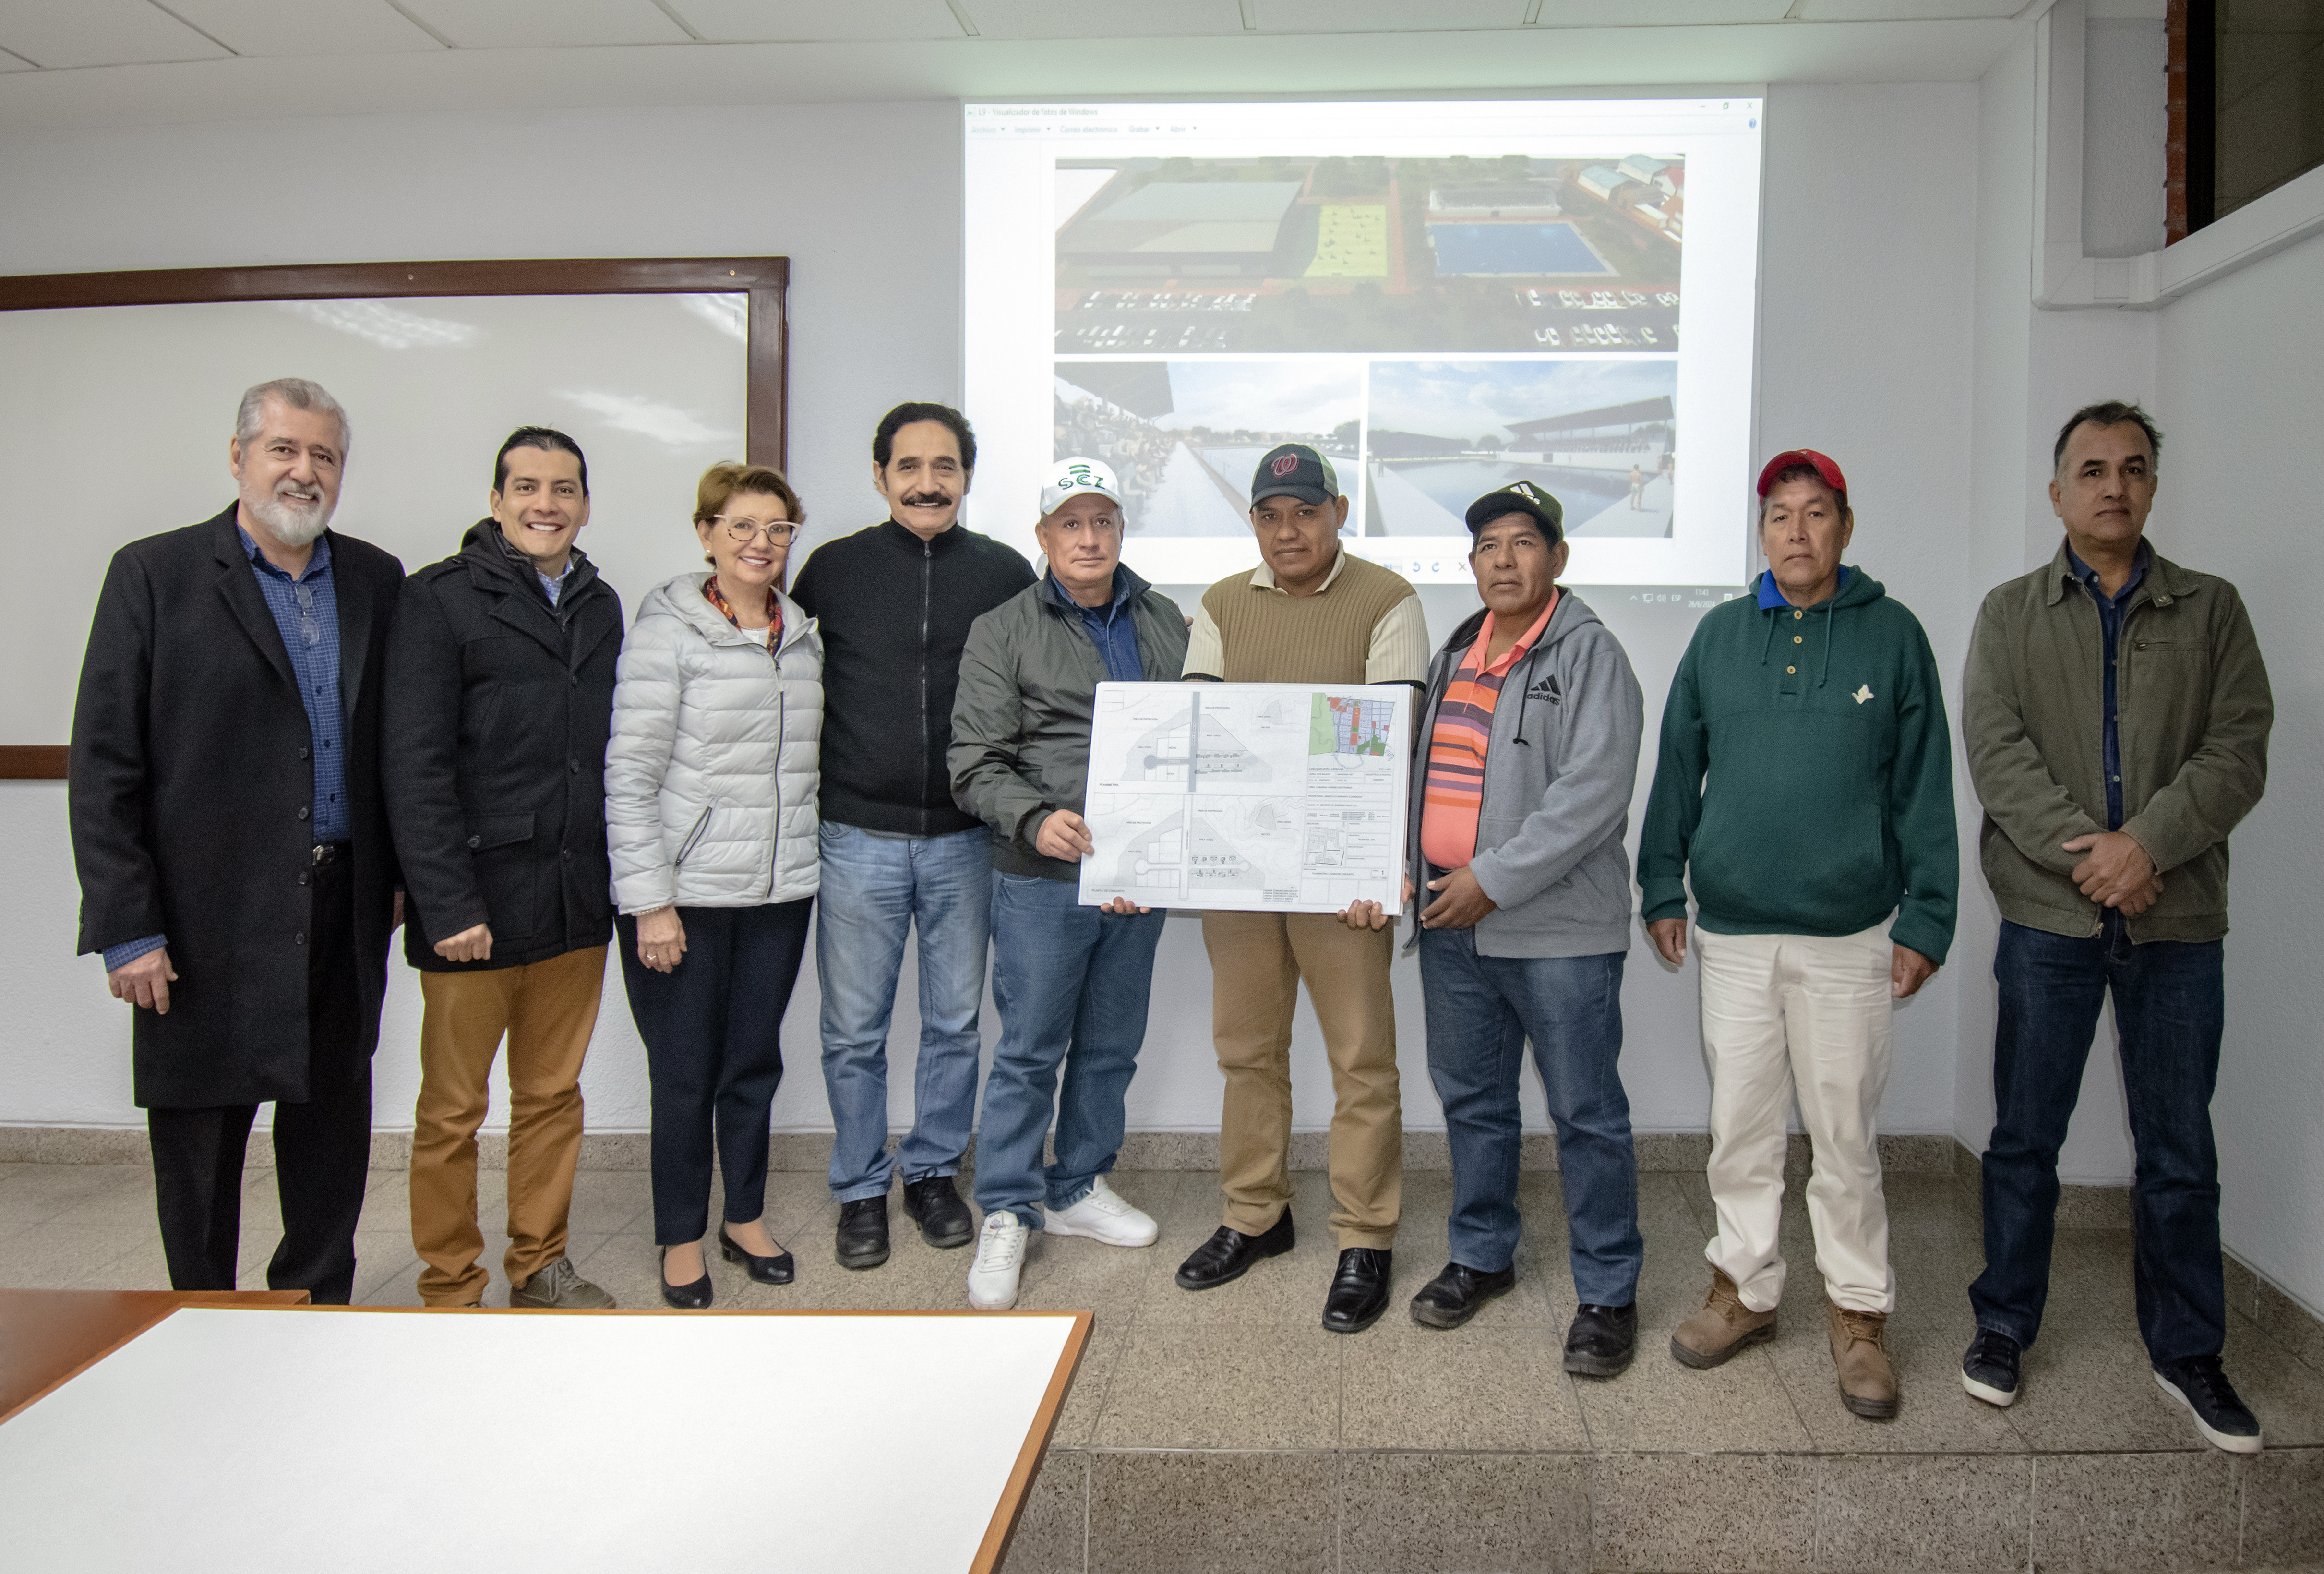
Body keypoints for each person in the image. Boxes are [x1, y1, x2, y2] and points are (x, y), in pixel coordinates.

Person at [1960, 402, 2273, 1453]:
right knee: (2023, 1137)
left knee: (2181, 1147)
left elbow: (2238, 749)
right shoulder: (2010, 612)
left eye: (2133, 469)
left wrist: (2149, 845)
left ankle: (2189, 1350)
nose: (2113, 486)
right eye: (2091, 470)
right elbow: (1997, 752)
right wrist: (2094, 854)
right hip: (2050, 914)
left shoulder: (2213, 610)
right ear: (2057, 493)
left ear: (2152, 487)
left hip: (2176, 915)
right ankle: (2003, 1322)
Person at [1638, 447, 1956, 1420]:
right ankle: (1746, 1287)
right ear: (1762, 531)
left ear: (1846, 528)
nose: (1798, 531)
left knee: (1846, 1134)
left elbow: (1925, 788)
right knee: (1740, 1126)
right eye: (1780, 515)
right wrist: (1660, 881)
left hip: (1849, 936)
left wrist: (1928, 918)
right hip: (1733, 934)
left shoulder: (1894, 636)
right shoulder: (1721, 636)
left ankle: (1859, 1314)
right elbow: (1677, 764)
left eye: (1817, 513)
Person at [69, 378, 403, 1304]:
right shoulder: (154, 574)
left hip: (342, 905)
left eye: (324, 457)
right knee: (200, 1140)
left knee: (332, 1125)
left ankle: (316, 1299)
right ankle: (203, 1315)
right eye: (285, 451)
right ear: (239, 457)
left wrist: (404, 884)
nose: (304, 472)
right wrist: (128, 928)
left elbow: (400, 750)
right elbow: (104, 766)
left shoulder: (376, 578)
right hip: (201, 914)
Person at [1387, 481, 1648, 1373]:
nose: (1504, 560)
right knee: (1474, 1102)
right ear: (1471, 565)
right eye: (1487, 546)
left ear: (1558, 559)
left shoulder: (1591, 655)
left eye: (1523, 543)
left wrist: (1488, 883)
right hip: (1449, 924)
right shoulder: (1458, 650)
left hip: (1558, 933)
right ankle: (1481, 1256)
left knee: (1585, 1112)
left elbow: (1593, 795)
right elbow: (1422, 780)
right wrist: (1406, 865)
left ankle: (1609, 1292)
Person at [1175, 442, 1430, 1334]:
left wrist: (1369, 863)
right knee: (1246, 1050)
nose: (1288, 531)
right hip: (1241, 871)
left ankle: (1365, 1235)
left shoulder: (1387, 598)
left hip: (1338, 875)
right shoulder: (1216, 604)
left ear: (1338, 511)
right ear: (1253, 521)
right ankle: (1256, 1215)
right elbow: (1203, 735)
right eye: (1270, 515)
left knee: (1361, 1060)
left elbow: (1388, 741)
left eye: (1306, 512)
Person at [381, 428, 623, 1310]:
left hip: (573, 898)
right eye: (526, 487)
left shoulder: (602, 606)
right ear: (495, 501)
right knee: (451, 1111)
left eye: (564, 489)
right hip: (473, 904)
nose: (545, 504)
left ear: (585, 505)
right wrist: (444, 903)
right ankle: (450, 1282)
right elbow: (413, 765)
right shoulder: (436, 601)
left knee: (552, 1096)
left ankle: (540, 1265)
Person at [790, 403, 1035, 1269]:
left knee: (955, 1023)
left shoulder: (1006, 573)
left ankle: (932, 1171)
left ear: (967, 477)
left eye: (944, 467)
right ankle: (859, 1187)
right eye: (908, 467)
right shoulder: (831, 570)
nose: (927, 483)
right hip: (856, 834)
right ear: (880, 475)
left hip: (966, 839)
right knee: (853, 1030)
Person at [948, 458, 1188, 1310]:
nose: (1089, 539)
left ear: (1120, 532)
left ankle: (1078, 1186)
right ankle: (1009, 1206)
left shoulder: (1165, 619)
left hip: (1142, 874)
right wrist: (1033, 817)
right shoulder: (1001, 627)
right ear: (1044, 537)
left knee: (1111, 1045)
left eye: (1104, 523)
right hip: (1044, 874)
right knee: (1027, 1050)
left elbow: (1196, 738)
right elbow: (973, 759)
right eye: (1071, 524)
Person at [606, 462, 823, 1309]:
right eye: (740, 526)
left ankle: (745, 1217)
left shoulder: (800, 635)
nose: (760, 543)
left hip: (777, 895)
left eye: (776, 529)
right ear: (706, 534)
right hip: (685, 898)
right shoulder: (668, 632)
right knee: (685, 1073)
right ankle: (679, 1237)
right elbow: (628, 776)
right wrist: (650, 902)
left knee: (751, 1065)